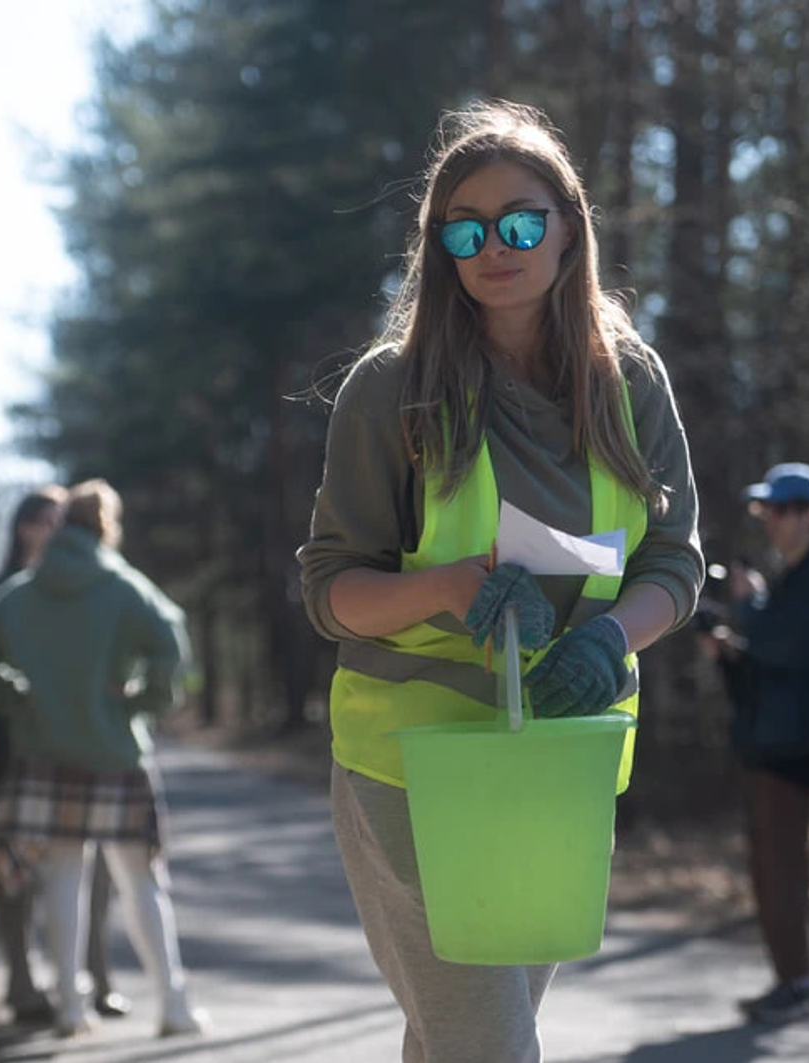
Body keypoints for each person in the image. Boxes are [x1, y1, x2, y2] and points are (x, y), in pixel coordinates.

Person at [297, 100, 703, 1063]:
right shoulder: (389, 388)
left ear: (570, 227)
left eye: (522, 221)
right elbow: (330, 587)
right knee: (490, 1047)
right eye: (466, 230)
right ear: (439, 250)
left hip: (556, 768)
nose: (496, 247)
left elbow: (675, 559)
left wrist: (612, 639)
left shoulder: (630, 381)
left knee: (455, 1041)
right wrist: (443, 588)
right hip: (414, 766)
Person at [0, 479, 206, 1039]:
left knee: (62, 877)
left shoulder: (22, 590)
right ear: (105, 527)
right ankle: (174, 1007)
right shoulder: (123, 586)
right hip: (116, 752)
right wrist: (144, 701)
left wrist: (14, 697)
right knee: (142, 882)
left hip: (43, 751)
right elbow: (173, 643)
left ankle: (70, 1009)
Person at [0, 486, 129, 1026]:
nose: (54, 530)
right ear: (24, 526)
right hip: (7, 751)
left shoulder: (89, 588)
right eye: (45, 520)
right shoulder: (2, 590)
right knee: (13, 869)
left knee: (94, 871)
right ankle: (23, 986)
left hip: (78, 750)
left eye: (62, 519)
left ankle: (97, 980)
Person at [704, 461, 809, 1025]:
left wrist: (747, 608)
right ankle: (789, 981)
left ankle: (801, 985)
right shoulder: (794, 582)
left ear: (807, 516)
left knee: (783, 866)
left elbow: (783, 649)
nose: (768, 521)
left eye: (776, 510)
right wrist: (728, 652)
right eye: (765, 510)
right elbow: (766, 666)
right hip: (775, 742)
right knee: (768, 865)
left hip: (797, 748)